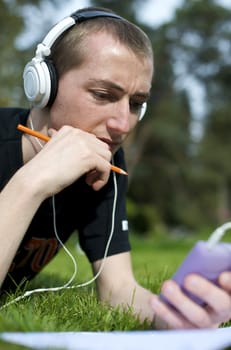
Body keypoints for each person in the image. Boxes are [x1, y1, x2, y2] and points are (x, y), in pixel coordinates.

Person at [0, 6, 230, 330]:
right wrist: (34, 181)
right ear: (43, 85)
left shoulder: (105, 163)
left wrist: (171, 317)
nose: (123, 125)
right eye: (103, 94)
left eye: (136, 103)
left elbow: (119, 289)